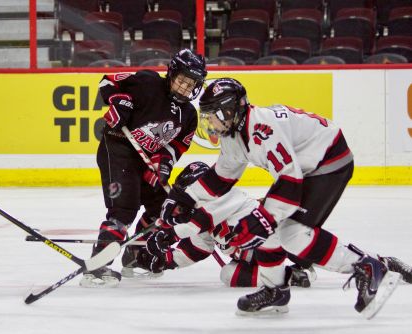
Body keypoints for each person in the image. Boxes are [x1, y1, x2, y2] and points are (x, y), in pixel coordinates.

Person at [156, 78, 411, 318]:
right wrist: (183, 199)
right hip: (305, 168)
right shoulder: (234, 134)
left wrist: (264, 218)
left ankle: (367, 266)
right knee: (272, 229)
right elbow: (221, 178)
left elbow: (290, 181)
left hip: (328, 161)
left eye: (213, 115)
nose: (211, 123)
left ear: (230, 110)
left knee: (292, 234)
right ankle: (275, 290)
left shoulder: (262, 128)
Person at [79, 49, 207, 288]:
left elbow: (176, 146)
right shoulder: (147, 81)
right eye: (182, 80)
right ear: (171, 74)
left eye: (191, 84)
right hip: (117, 148)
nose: (184, 87)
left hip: (146, 160)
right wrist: (119, 103)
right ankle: (97, 266)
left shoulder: (189, 115)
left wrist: (163, 164)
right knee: (124, 209)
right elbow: (109, 82)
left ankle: (135, 256)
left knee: (165, 207)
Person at [134, 162, 313, 288]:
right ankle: (289, 277)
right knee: (228, 274)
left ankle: (314, 255)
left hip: (272, 243)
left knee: (303, 249)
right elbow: (198, 248)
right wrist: (166, 261)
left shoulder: (227, 196)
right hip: (252, 258)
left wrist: (170, 234)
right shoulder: (196, 217)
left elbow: (203, 220)